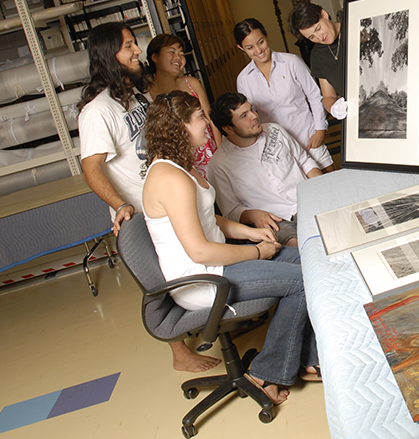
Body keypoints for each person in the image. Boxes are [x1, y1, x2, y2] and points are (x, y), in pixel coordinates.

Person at [143, 90, 319, 403]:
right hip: (203, 278)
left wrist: (251, 233)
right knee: (304, 282)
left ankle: (308, 357)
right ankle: (268, 372)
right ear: (180, 127)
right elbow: (200, 251)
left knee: (310, 262)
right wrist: (257, 251)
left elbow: (209, 218)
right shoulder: (171, 179)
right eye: (199, 117)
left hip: (217, 264)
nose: (206, 123)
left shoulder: (179, 166)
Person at [77, 22, 219, 374]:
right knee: (159, 280)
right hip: (144, 210)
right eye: (128, 46)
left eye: (134, 44)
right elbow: (91, 167)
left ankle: (215, 315)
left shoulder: (138, 95)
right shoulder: (97, 111)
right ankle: (179, 353)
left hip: (171, 198)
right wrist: (120, 205)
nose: (137, 50)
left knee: (194, 264)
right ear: (109, 54)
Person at [207, 92, 321, 248]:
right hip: (277, 220)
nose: (254, 116)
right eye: (244, 116)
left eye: (251, 110)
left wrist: (321, 187)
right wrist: (254, 216)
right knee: (306, 248)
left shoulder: (275, 131)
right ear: (228, 129)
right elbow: (231, 211)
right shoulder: (219, 165)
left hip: (309, 199)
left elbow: (304, 161)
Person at [234, 18, 334, 173]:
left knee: (331, 181)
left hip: (308, 138)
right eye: (250, 47)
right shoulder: (243, 79)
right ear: (241, 48)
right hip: (277, 150)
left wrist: (320, 130)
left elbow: (314, 95)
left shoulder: (291, 62)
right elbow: (248, 115)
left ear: (266, 35)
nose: (258, 50)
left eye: (261, 42)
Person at [146, 33, 220, 177]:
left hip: (211, 153)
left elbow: (211, 119)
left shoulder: (192, 83)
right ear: (155, 57)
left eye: (181, 54)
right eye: (172, 52)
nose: (178, 58)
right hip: (185, 164)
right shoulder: (148, 95)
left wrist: (221, 153)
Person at [289, 2, 347, 120]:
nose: (320, 38)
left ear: (324, 14)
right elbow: (328, 96)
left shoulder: (355, 27)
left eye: (318, 28)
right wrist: (333, 108)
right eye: (311, 37)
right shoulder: (317, 55)